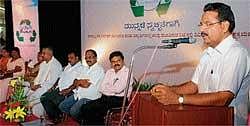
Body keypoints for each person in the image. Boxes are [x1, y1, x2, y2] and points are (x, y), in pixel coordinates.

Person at [150, 2, 250, 125]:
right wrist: (168, 91)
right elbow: (194, 85)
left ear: (224, 26)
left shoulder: (236, 53)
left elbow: (224, 97)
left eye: (208, 24)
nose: (202, 29)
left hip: (227, 121)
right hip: (206, 119)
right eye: (201, 24)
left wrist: (179, 99)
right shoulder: (208, 52)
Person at [79, 51, 133, 125]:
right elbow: (101, 88)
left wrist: (108, 88)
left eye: (118, 61)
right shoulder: (109, 72)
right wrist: (111, 89)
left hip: (120, 100)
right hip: (105, 98)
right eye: (113, 61)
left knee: (94, 109)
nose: (116, 63)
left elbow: (118, 89)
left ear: (123, 61)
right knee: (85, 107)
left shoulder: (127, 72)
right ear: (111, 63)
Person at [58, 49, 105, 122]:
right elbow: (75, 81)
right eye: (86, 58)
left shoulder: (99, 69)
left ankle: (83, 121)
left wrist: (79, 82)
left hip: (89, 97)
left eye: (90, 57)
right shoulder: (85, 69)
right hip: (78, 95)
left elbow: (86, 85)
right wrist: (80, 82)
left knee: (73, 111)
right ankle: (80, 120)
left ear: (95, 58)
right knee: (62, 106)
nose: (87, 59)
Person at [40, 50, 84, 124]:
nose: (69, 60)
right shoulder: (68, 66)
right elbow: (60, 77)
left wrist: (68, 90)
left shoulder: (81, 68)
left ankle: (57, 118)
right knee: (43, 98)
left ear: (77, 58)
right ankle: (55, 117)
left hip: (69, 91)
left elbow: (76, 83)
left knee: (52, 101)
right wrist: (54, 86)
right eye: (68, 58)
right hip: (59, 88)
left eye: (71, 58)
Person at [26, 46, 62, 117]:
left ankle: (39, 117)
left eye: (43, 53)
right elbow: (33, 71)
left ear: (50, 54)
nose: (42, 55)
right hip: (38, 85)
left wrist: (38, 86)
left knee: (33, 96)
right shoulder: (43, 63)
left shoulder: (56, 65)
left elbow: (51, 82)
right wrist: (33, 83)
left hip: (47, 87)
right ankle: (32, 114)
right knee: (27, 92)